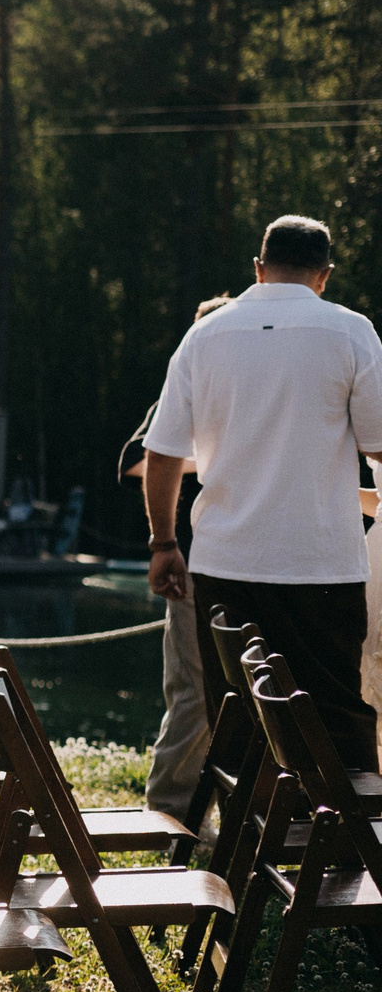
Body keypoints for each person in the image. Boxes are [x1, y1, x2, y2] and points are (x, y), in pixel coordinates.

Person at [147, 215, 382, 769]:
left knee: (235, 719)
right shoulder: (351, 332)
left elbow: (162, 453)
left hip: (225, 561)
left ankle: (247, 824)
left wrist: (164, 544)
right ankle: (342, 825)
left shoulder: (205, 335)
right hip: (320, 564)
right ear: (324, 274)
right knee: (336, 716)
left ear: (258, 267)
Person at [119, 295, 229, 814]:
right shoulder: (183, 384)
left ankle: (224, 811)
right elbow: (135, 463)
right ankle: (169, 812)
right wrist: (216, 457)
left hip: (229, 557)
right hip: (190, 558)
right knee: (194, 691)